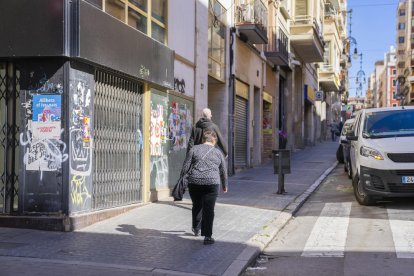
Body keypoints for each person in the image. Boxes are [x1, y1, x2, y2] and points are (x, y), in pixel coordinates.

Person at [180, 130, 228, 245]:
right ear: (214, 140)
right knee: (209, 209)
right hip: (212, 183)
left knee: (197, 205)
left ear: (203, 140)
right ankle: (207, 236)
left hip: (194, 182)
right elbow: (223, 171)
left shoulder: (194, 149)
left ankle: (196, 228)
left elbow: (186, 166)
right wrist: (225, 185)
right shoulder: (218, 152)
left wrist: (182, 180)